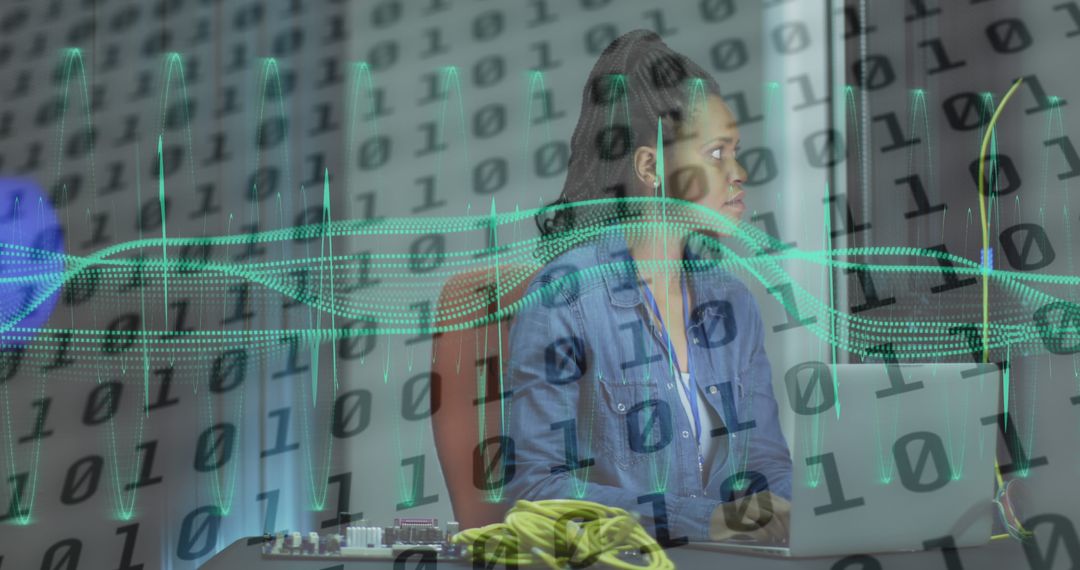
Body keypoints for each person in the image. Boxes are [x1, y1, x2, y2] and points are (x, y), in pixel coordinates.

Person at [504, 30, 793, 544]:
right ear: (650, 166)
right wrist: (703, 521)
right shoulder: (565, 297)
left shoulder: (733, 303)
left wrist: (802, 513)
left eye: (736, 152)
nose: (739, 172)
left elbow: (767, 462)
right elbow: (539, 492)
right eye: (717, 153)